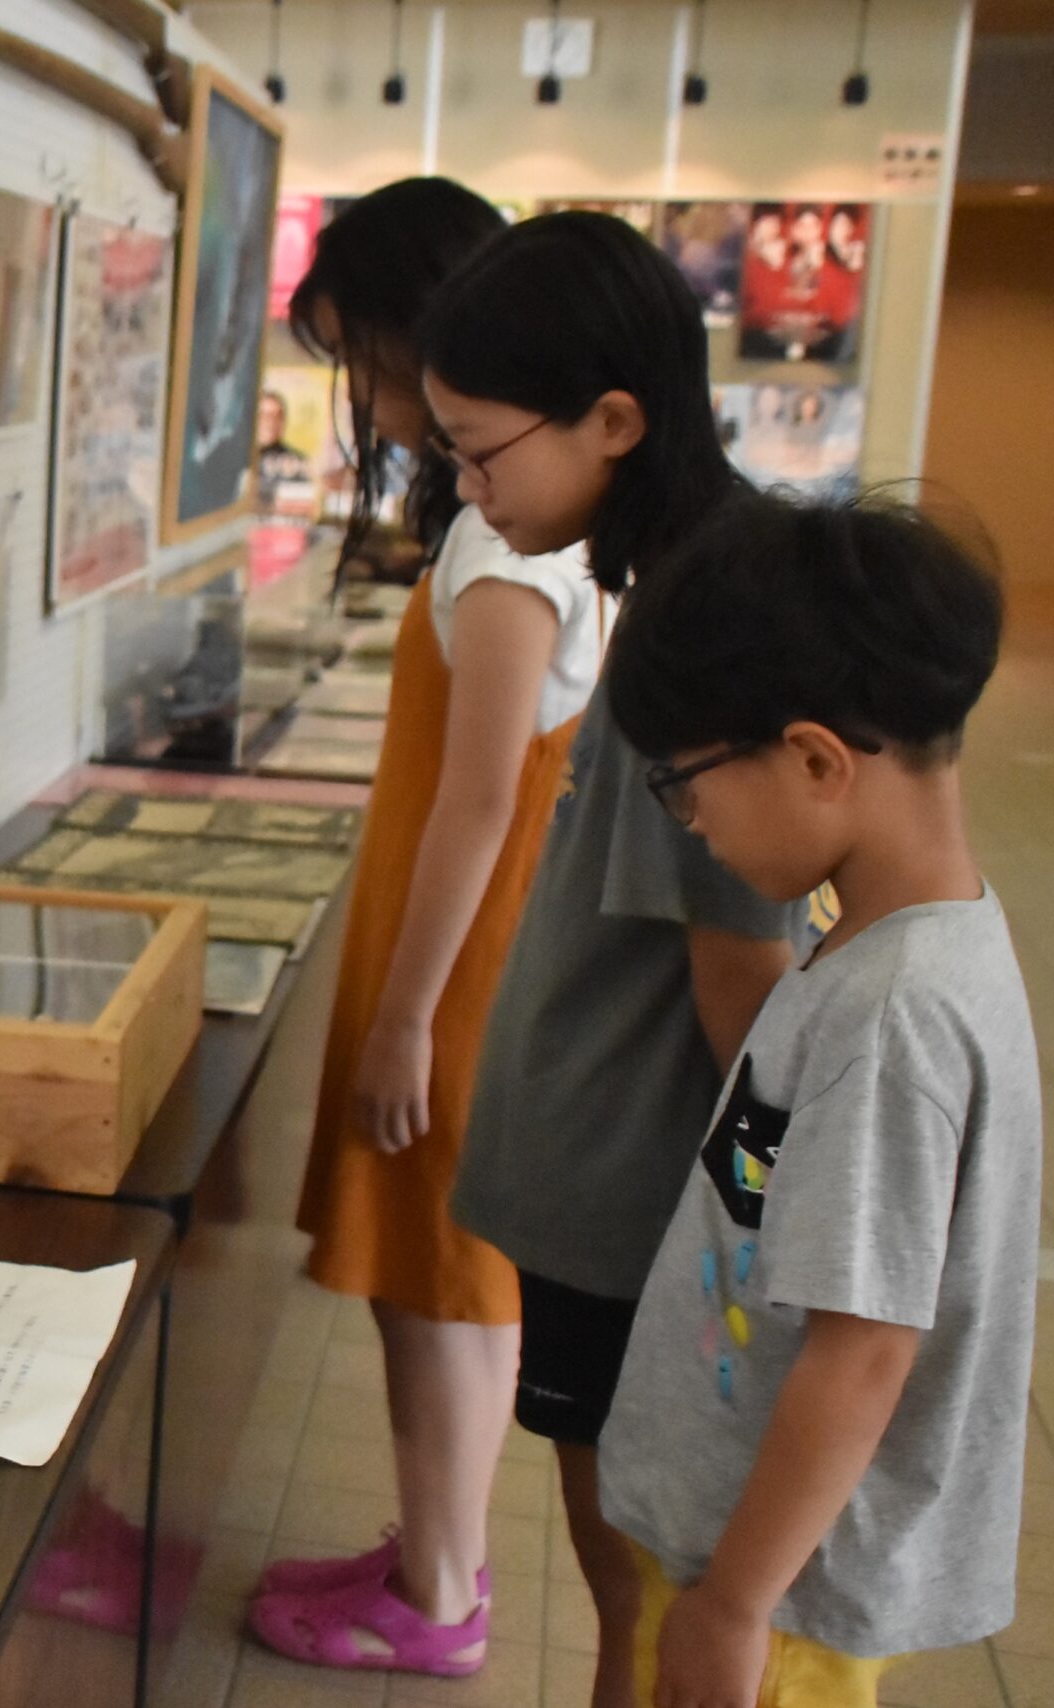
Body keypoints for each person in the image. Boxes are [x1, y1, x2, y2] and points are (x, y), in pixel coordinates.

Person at [417, 211, 804, 1708]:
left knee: (642, 1575)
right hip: (605, 1187)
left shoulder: (707, 621)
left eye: (479, 450)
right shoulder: (679, 580)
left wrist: (783, 1235)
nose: (466, 487)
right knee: (623, 1569)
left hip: (640, 1206)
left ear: (616, 420)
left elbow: (741, 979)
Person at [245, 179, 607, 1680]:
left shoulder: (506, 549)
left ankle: (441, 1596)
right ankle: (432, 1545)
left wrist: (400, 1017)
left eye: (382, 367)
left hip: (457, 976)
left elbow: (476, 805)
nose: (380, 407)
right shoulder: (512, 526)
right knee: (438, 1279)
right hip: (457, 957)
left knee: (440, 1287)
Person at [598, 493, 1035, 1707]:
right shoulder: (887, 942)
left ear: (812, 759)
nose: (689, 824)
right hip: (748, 1564)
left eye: (685, 787)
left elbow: (865, 1351)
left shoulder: (893, 1017)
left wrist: (734, 1603)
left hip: (777, 1599)